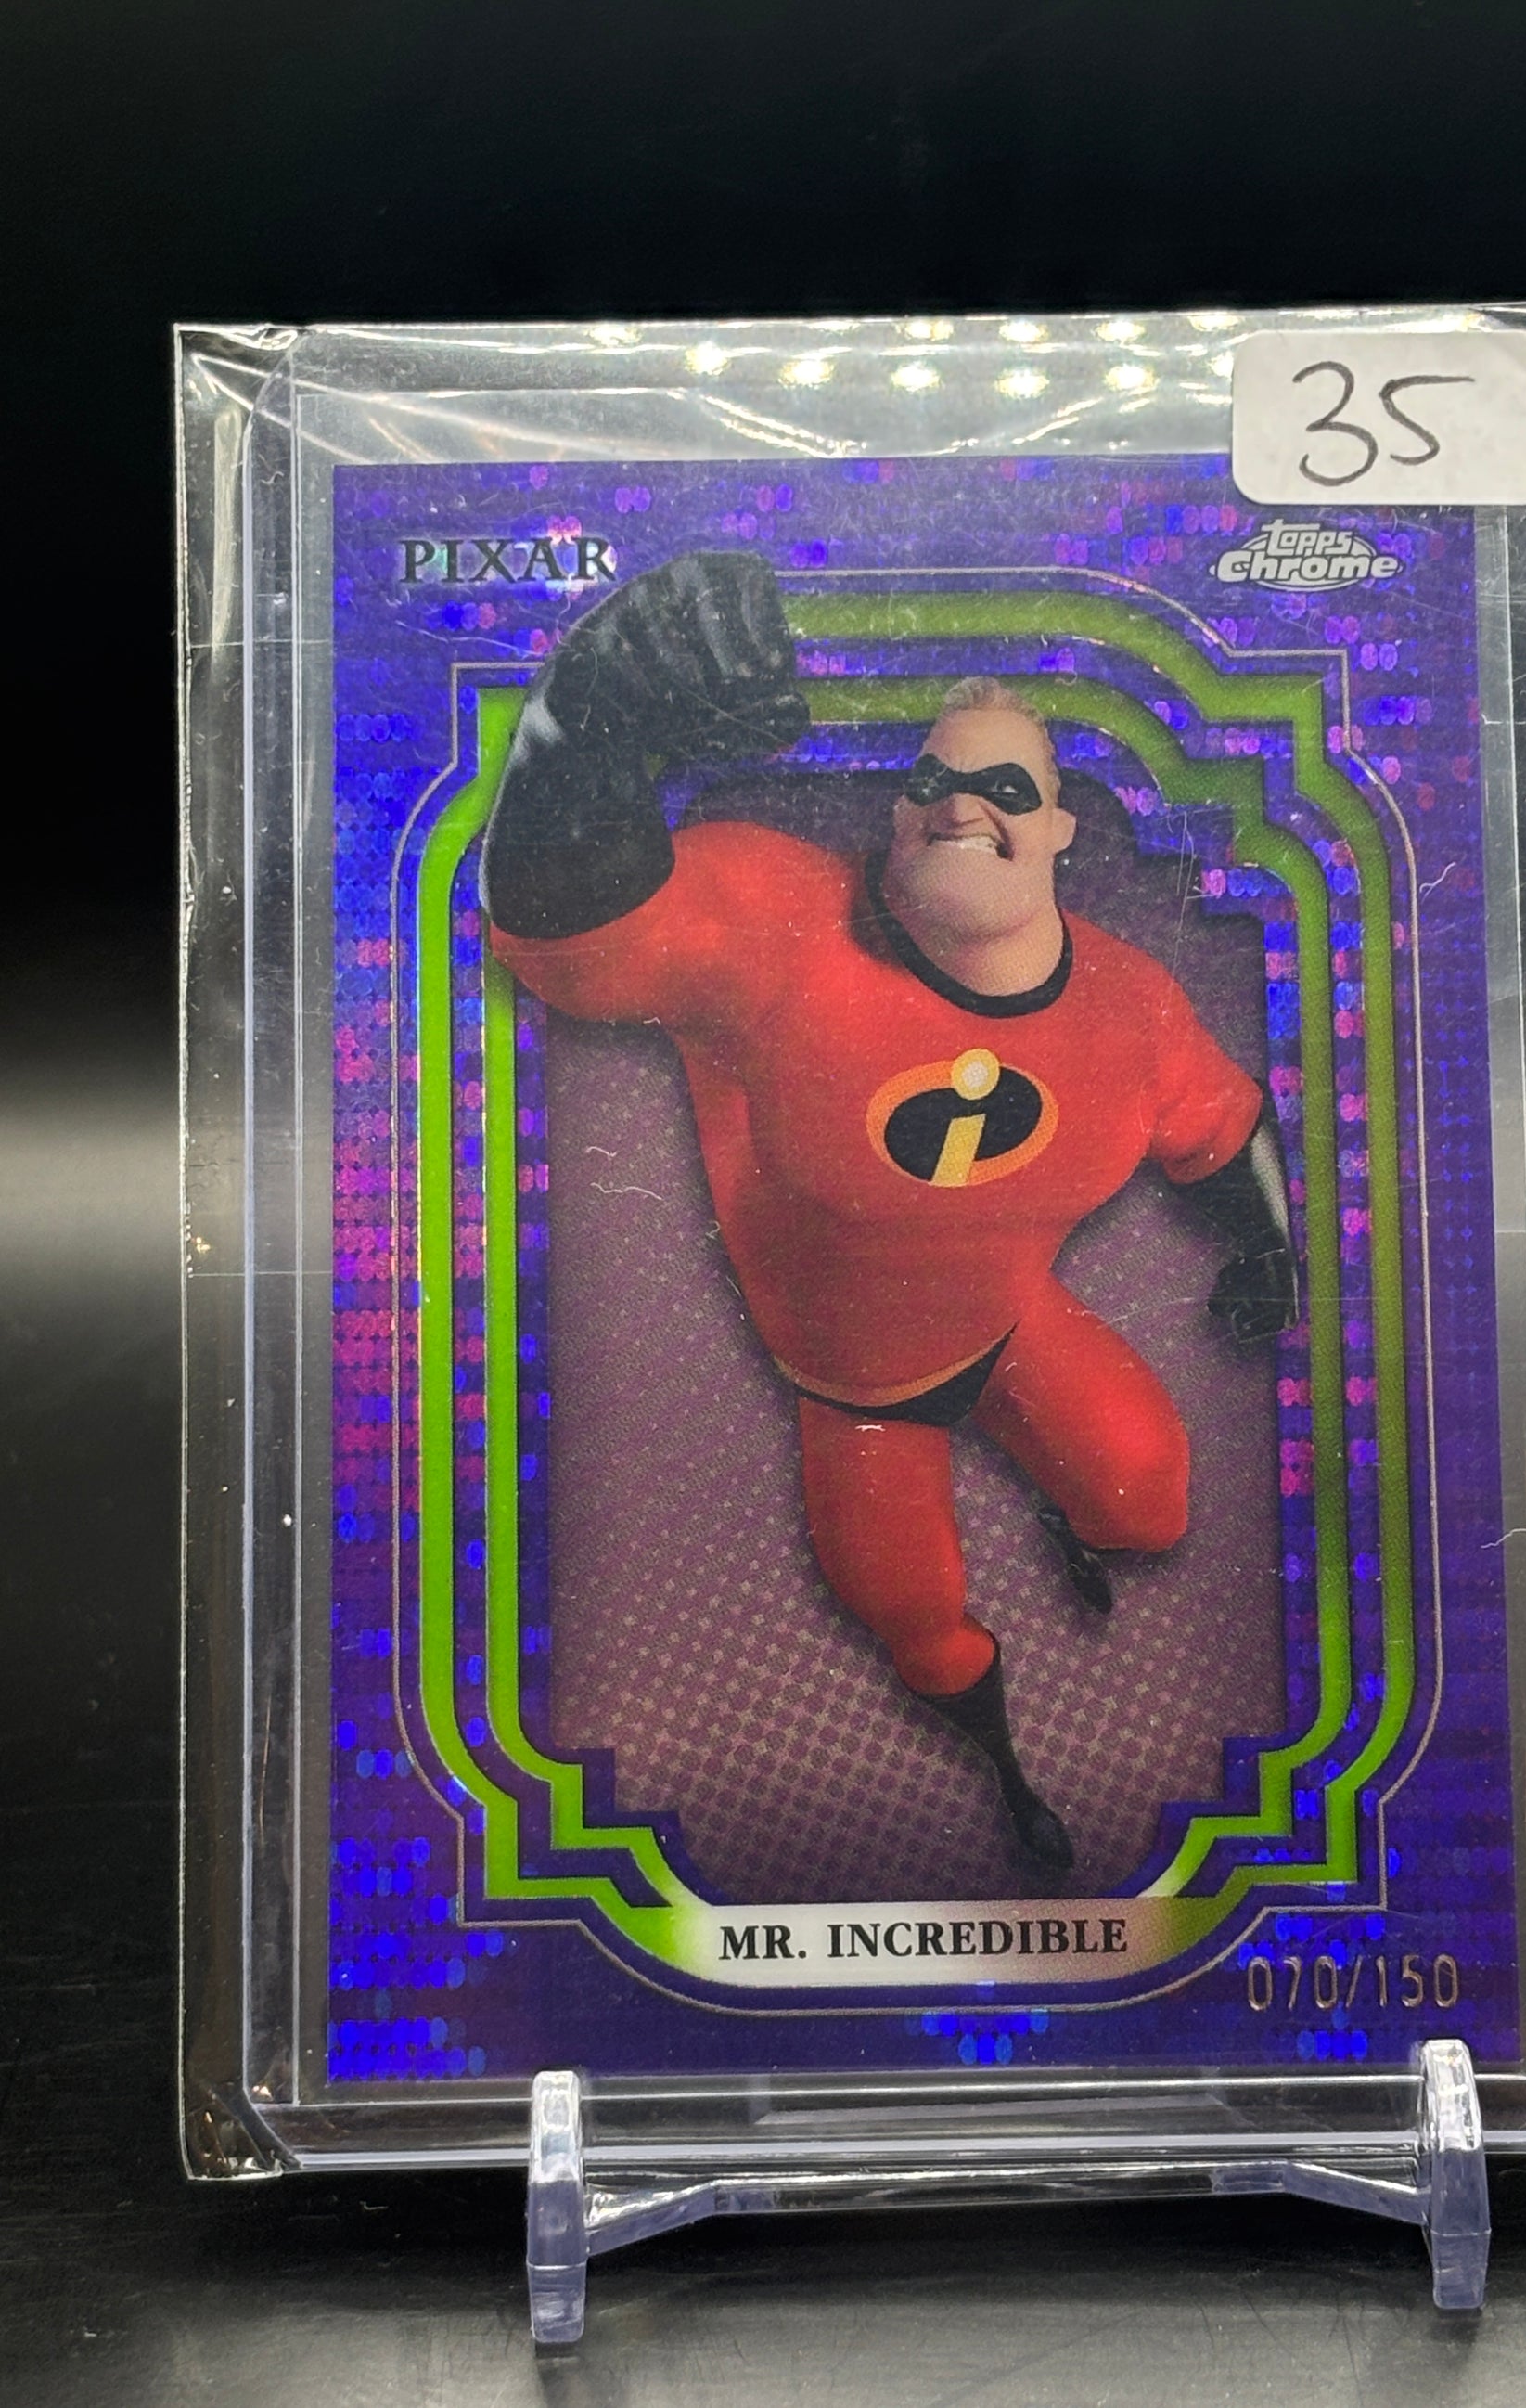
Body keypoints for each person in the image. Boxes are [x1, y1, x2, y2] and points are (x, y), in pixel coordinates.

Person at [483, 551, 1298, 1871]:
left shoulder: (1129, 1002)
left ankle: (1059, 1525)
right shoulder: (786, 927)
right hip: (852, 1388)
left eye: (1005, 788)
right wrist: (579, 732)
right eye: (930, 783)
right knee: (918, 1620)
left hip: (1011, 1319)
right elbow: (577, 931)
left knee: (1147, 1501)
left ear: (1061, 829)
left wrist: (1268, 1252)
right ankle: (1004, 1766)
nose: (958, 804)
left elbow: (1217, 1125)